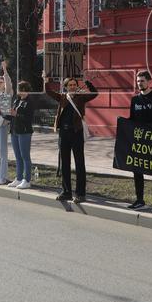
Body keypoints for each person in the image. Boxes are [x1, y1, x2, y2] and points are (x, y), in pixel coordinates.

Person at [43, 70, 99, 203]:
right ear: (66, 87)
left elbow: (95, 93)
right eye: (70, 85)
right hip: (64, 134)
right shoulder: (62, 97)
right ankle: (66, 192)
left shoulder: (81, 97)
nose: (73, 87)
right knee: (65, 164)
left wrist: (86, 81)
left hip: (76, 133)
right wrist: (45, 81)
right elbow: (49, 92)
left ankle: (80, 194)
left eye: (74, 84)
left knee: (79, 163)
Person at [127, 70, 152, 214]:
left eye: (142, 81)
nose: (139, 83)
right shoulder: (135, 100)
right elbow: (131, 120)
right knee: (137, 171)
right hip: (138, 143)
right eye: (138, 81)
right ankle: (140, 200)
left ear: (149, 81)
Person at [8, 80, 40, 189]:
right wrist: (5, 113)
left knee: (25, 156)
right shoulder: (16, 101)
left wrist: (16, 114)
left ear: (28, 91)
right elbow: (12, 116)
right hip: (14, 131)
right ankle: (18, 178)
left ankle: (27, 180)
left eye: (24, 90)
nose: (22, 92)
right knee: (17, 157)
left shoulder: (30, 102)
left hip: (25, 132)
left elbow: (28, 119)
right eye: (20, 90)